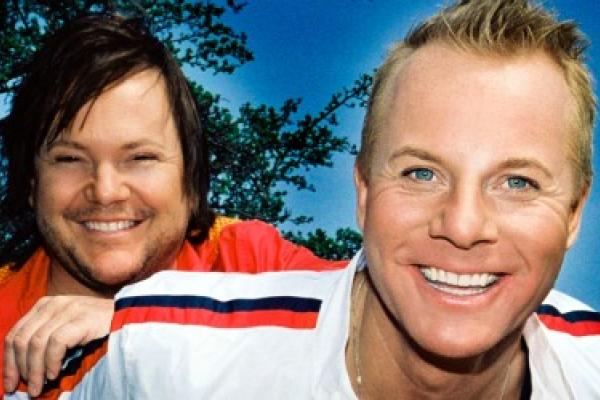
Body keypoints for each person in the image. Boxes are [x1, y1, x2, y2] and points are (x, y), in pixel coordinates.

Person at [60, 0, 600, 398]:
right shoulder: (166, 361)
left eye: (517, 183)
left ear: (574, 212)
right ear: (362, 192)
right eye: (421, 173)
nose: (462, 225)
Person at [0, 14, 344, 399]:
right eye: (69, 159)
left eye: (141, 158)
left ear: (190, 177)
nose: (106, 192)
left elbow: (364, 315)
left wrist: (138, 318)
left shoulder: (250, 260)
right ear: (32, 182)